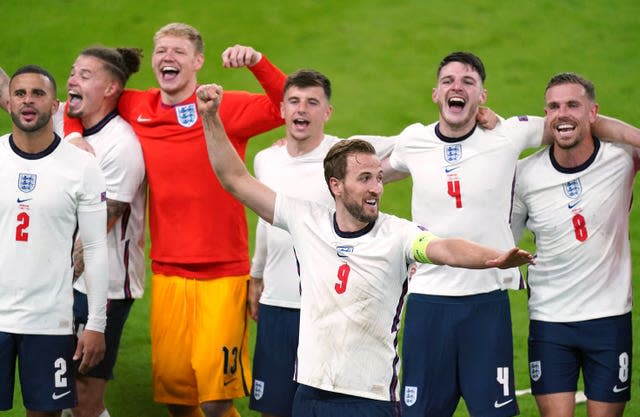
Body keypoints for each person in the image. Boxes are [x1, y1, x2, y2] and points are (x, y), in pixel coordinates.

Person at [196, 82, 535, 416]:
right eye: (365, 179)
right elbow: (234, 179)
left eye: (378, 177)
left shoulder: (398, 235)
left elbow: (444, 249)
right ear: (336, 186)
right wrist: (211, 117)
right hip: (310, 394)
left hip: (368, 400)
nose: (377, 187)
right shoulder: (306, 221)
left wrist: (493, 259)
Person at [354, 51, 640, 417]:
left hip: (486, 300)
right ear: (435, 94)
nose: (457, 87)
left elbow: (578, 123)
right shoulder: (414, 141)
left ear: (482, 97)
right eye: (448, 81)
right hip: (429, 299)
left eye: (468, 82)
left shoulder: (509, 133)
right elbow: (373, 178)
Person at [62, 23, 286, 417]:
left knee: (216, 401)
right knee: (178, 401)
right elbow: (82, 102)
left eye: (179, 52)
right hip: (167, 273)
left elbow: (285, 106)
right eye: (162, 50)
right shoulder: (138, 106)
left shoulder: (224, 106)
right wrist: (73, 134)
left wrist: (257, 62)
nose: (169, 57)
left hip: (223, 273)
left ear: (198, 61)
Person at [247, 69, 394, 417]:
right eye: (294, 101)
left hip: (326, 307)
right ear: (281, 108)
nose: (302, 110)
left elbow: (412, 143)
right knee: (274, 408)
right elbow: (266, 219)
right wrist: (256, 273)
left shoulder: (343, 156)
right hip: (277, 302)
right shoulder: (266, 159)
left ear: (327, 112)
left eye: (313, 102)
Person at [510, 73, 637, 417]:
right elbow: (502, 238)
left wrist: (584, 123)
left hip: (609, 319)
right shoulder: (525, 175)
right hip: (550, 320)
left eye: (572, 105)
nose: (561, 113)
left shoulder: (622, 158)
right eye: (553, 107)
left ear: (594, 113)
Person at [0, 65, 108, 417]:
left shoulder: (82, 167)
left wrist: (95, 323)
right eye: (20, 93)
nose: (28, 101)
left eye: (38, 93)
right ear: (9, 102)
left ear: (56, 105)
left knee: (45, 415)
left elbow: (93, 248)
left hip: (50, 320)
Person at [65, 46, 146, 417]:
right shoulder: (69, 128)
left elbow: (96, 236)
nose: (71, 80)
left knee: (84, 399)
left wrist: (52, 282)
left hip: (104, 286)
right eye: (72, 72)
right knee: (55, 391)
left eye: (85, 75)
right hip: (63, 283)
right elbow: (14, 97)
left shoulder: (121, 147)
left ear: (111, 88)